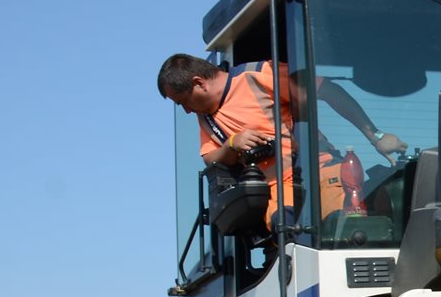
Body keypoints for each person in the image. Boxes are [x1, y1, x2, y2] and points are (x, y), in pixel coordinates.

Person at [156, 54, 405, 226]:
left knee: (346, 228)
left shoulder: (259, 75)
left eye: (183, 102)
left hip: (318, 171)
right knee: (282, 229)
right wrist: (232, 143)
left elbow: (327, 91)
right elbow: (211, 158)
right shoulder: (206, 118)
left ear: (198, 83)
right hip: (277, 189)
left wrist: (375, 136)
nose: (187, 111)